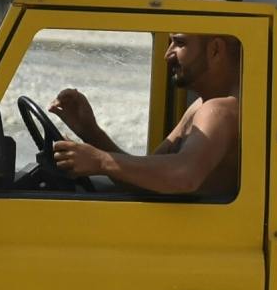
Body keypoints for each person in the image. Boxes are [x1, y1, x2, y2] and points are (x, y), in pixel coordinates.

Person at [49, 32, 242, 199]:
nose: (167, 54)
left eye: (179, 43)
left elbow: (183, 176)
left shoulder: (218, 111)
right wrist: (91, 132)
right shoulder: (201, 106)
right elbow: (146, 180)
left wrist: (100, 160)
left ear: (215, 50)